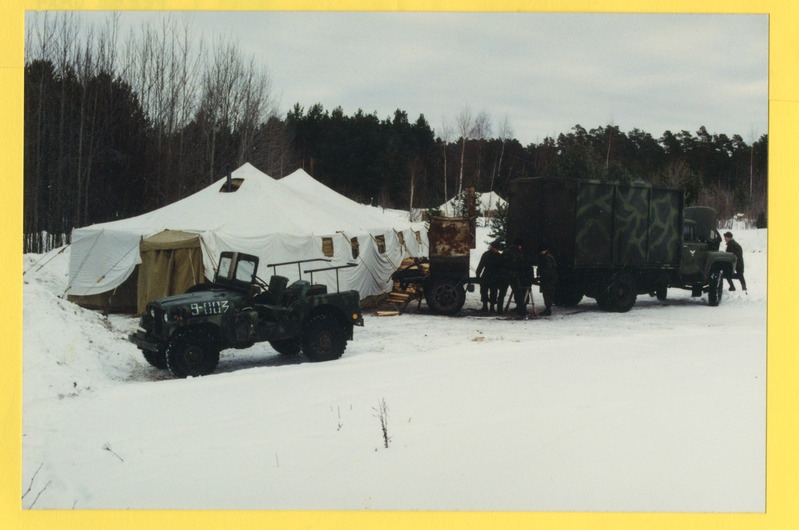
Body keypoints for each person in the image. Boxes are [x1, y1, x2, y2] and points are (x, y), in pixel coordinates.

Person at [503, 239, 534, 317]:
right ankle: (522, 311)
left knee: (502, 292)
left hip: (505, 274)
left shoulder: (507, 251)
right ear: (519, 246)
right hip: (514, 275)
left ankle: (500, 310)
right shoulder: (518, 252)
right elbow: (520, 263)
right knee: (519, 292)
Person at [475, 240, 504, 313]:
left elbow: (502, 268)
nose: (496, 249)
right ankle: (485, 307)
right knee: (484, 291)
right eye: (495, 248)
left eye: (497, 248)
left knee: (493, 292)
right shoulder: (487, 255)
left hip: (494, 276)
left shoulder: (499, 256)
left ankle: (491, 307)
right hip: (487, 275)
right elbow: (481, 265)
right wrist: (478, 274)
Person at [536, 243, 558, 316]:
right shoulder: (546, 256)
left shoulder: (547, 257)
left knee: (547, 294)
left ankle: (548, 309)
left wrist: (543, 275)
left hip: (548, 279)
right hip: (548, 279)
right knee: (547, 293)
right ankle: (548, 308)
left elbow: (548, 270)